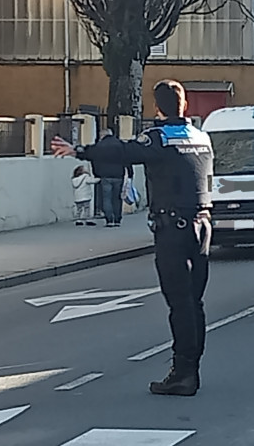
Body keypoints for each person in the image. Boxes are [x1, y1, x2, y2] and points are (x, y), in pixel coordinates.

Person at [51, 80, 214, 395]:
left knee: (179, 304)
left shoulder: (159, 138)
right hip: (203, 225)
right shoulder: (201, 137)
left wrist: (80, 150)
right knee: (195, 303)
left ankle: (183, 374)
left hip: (173, 227)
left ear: (156, 108)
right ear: (186, 106)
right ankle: (191, 368)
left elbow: (123, 150)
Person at [92, 129, 133, 227]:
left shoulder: (99, 146)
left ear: (102, 136)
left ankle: (109, 219)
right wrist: (130, 173)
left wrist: (96, 173)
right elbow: (127, 159)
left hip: (105, 175)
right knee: (117, 198)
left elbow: (94, 160)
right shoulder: (120, 144)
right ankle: (117, 219)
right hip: (118, 175)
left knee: (106, 198)